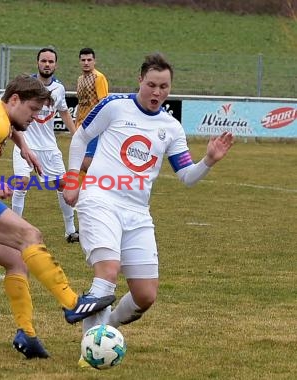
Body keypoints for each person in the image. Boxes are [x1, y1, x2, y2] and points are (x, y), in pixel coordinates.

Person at [62, 53, 234, 367]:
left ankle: (106, 331)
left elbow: (187, 177)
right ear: (140, 80)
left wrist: (208, 160)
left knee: (145, 295)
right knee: (108, 271)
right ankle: (90, 354)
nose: (157, 92)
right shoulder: (115, 106)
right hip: (100, 197)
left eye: (164, 87)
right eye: (152, 85)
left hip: (138, 212)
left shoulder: (171, 127)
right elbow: (81, 136)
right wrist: (73, 178)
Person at [0, 74, 116, 359]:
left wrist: (24, 146)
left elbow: (4, 127)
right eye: (31, 111)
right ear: (14, 100)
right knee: (30, 235)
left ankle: (25, 334)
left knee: (13, 262)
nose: (34, 118)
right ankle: (71, 302)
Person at [10, 48, 79, 243]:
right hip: (25, 143)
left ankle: (70, 231)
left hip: (49, 147)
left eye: (50, 61)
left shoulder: (59, 89)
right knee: (22, 182)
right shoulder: (25, 86)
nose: (47, 64)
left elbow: (64, 112)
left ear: (55, 65)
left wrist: (76, 135)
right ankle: (15, 230)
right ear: (37, 63)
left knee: (63, 185)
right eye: (43, 61)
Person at [75, 47, 109, 173]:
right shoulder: (80, 79)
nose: (86, 62)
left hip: (93, 127)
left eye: (89, 59)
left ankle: (102, 185)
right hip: (81, 126)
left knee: (86, 163)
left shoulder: (98, 77)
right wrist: (75, 124)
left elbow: (103, 103)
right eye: (83, 60)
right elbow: (80, 103)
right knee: (79, 163)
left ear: (94, 61)